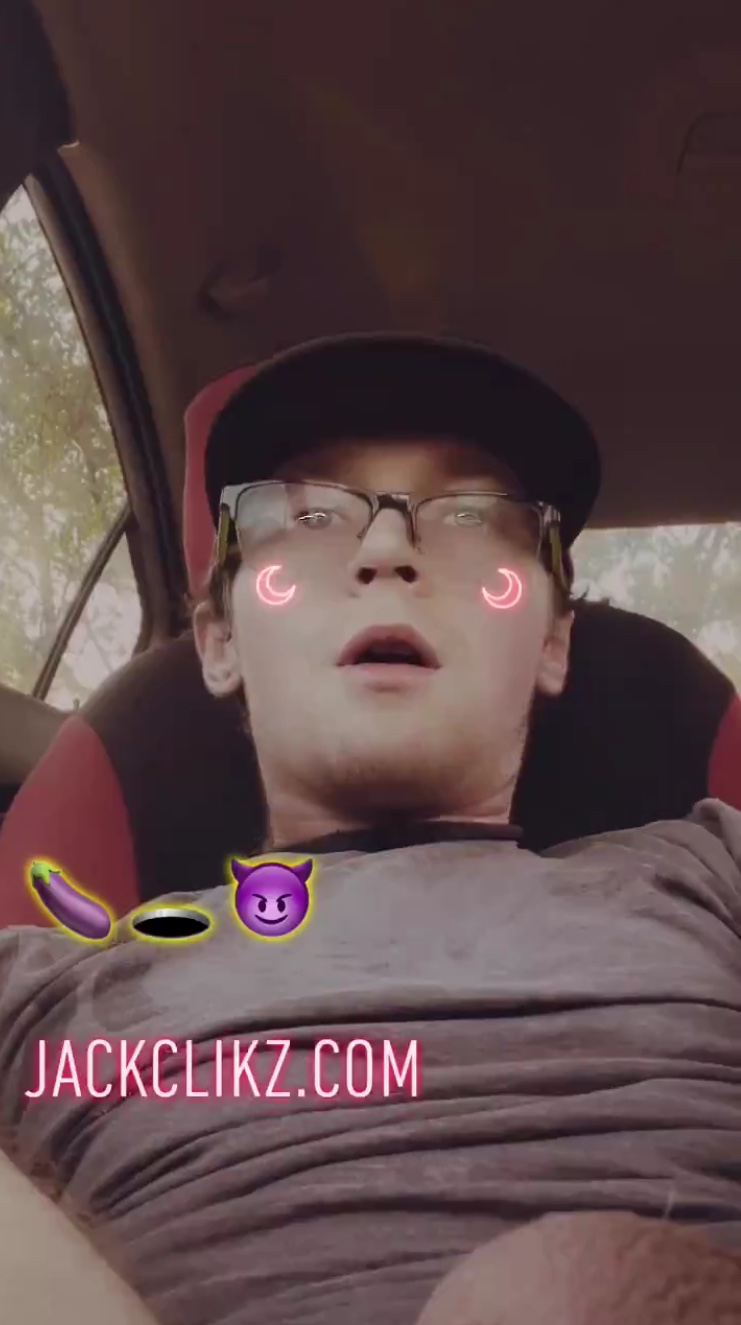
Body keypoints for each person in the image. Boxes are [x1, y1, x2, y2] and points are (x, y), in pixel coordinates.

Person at [1, 333, 741, 1325]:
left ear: (553, 641)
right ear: (219, 642)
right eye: (307, 515)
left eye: (471, 514)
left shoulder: (715, 874)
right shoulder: (50, 986)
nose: (387, 551)